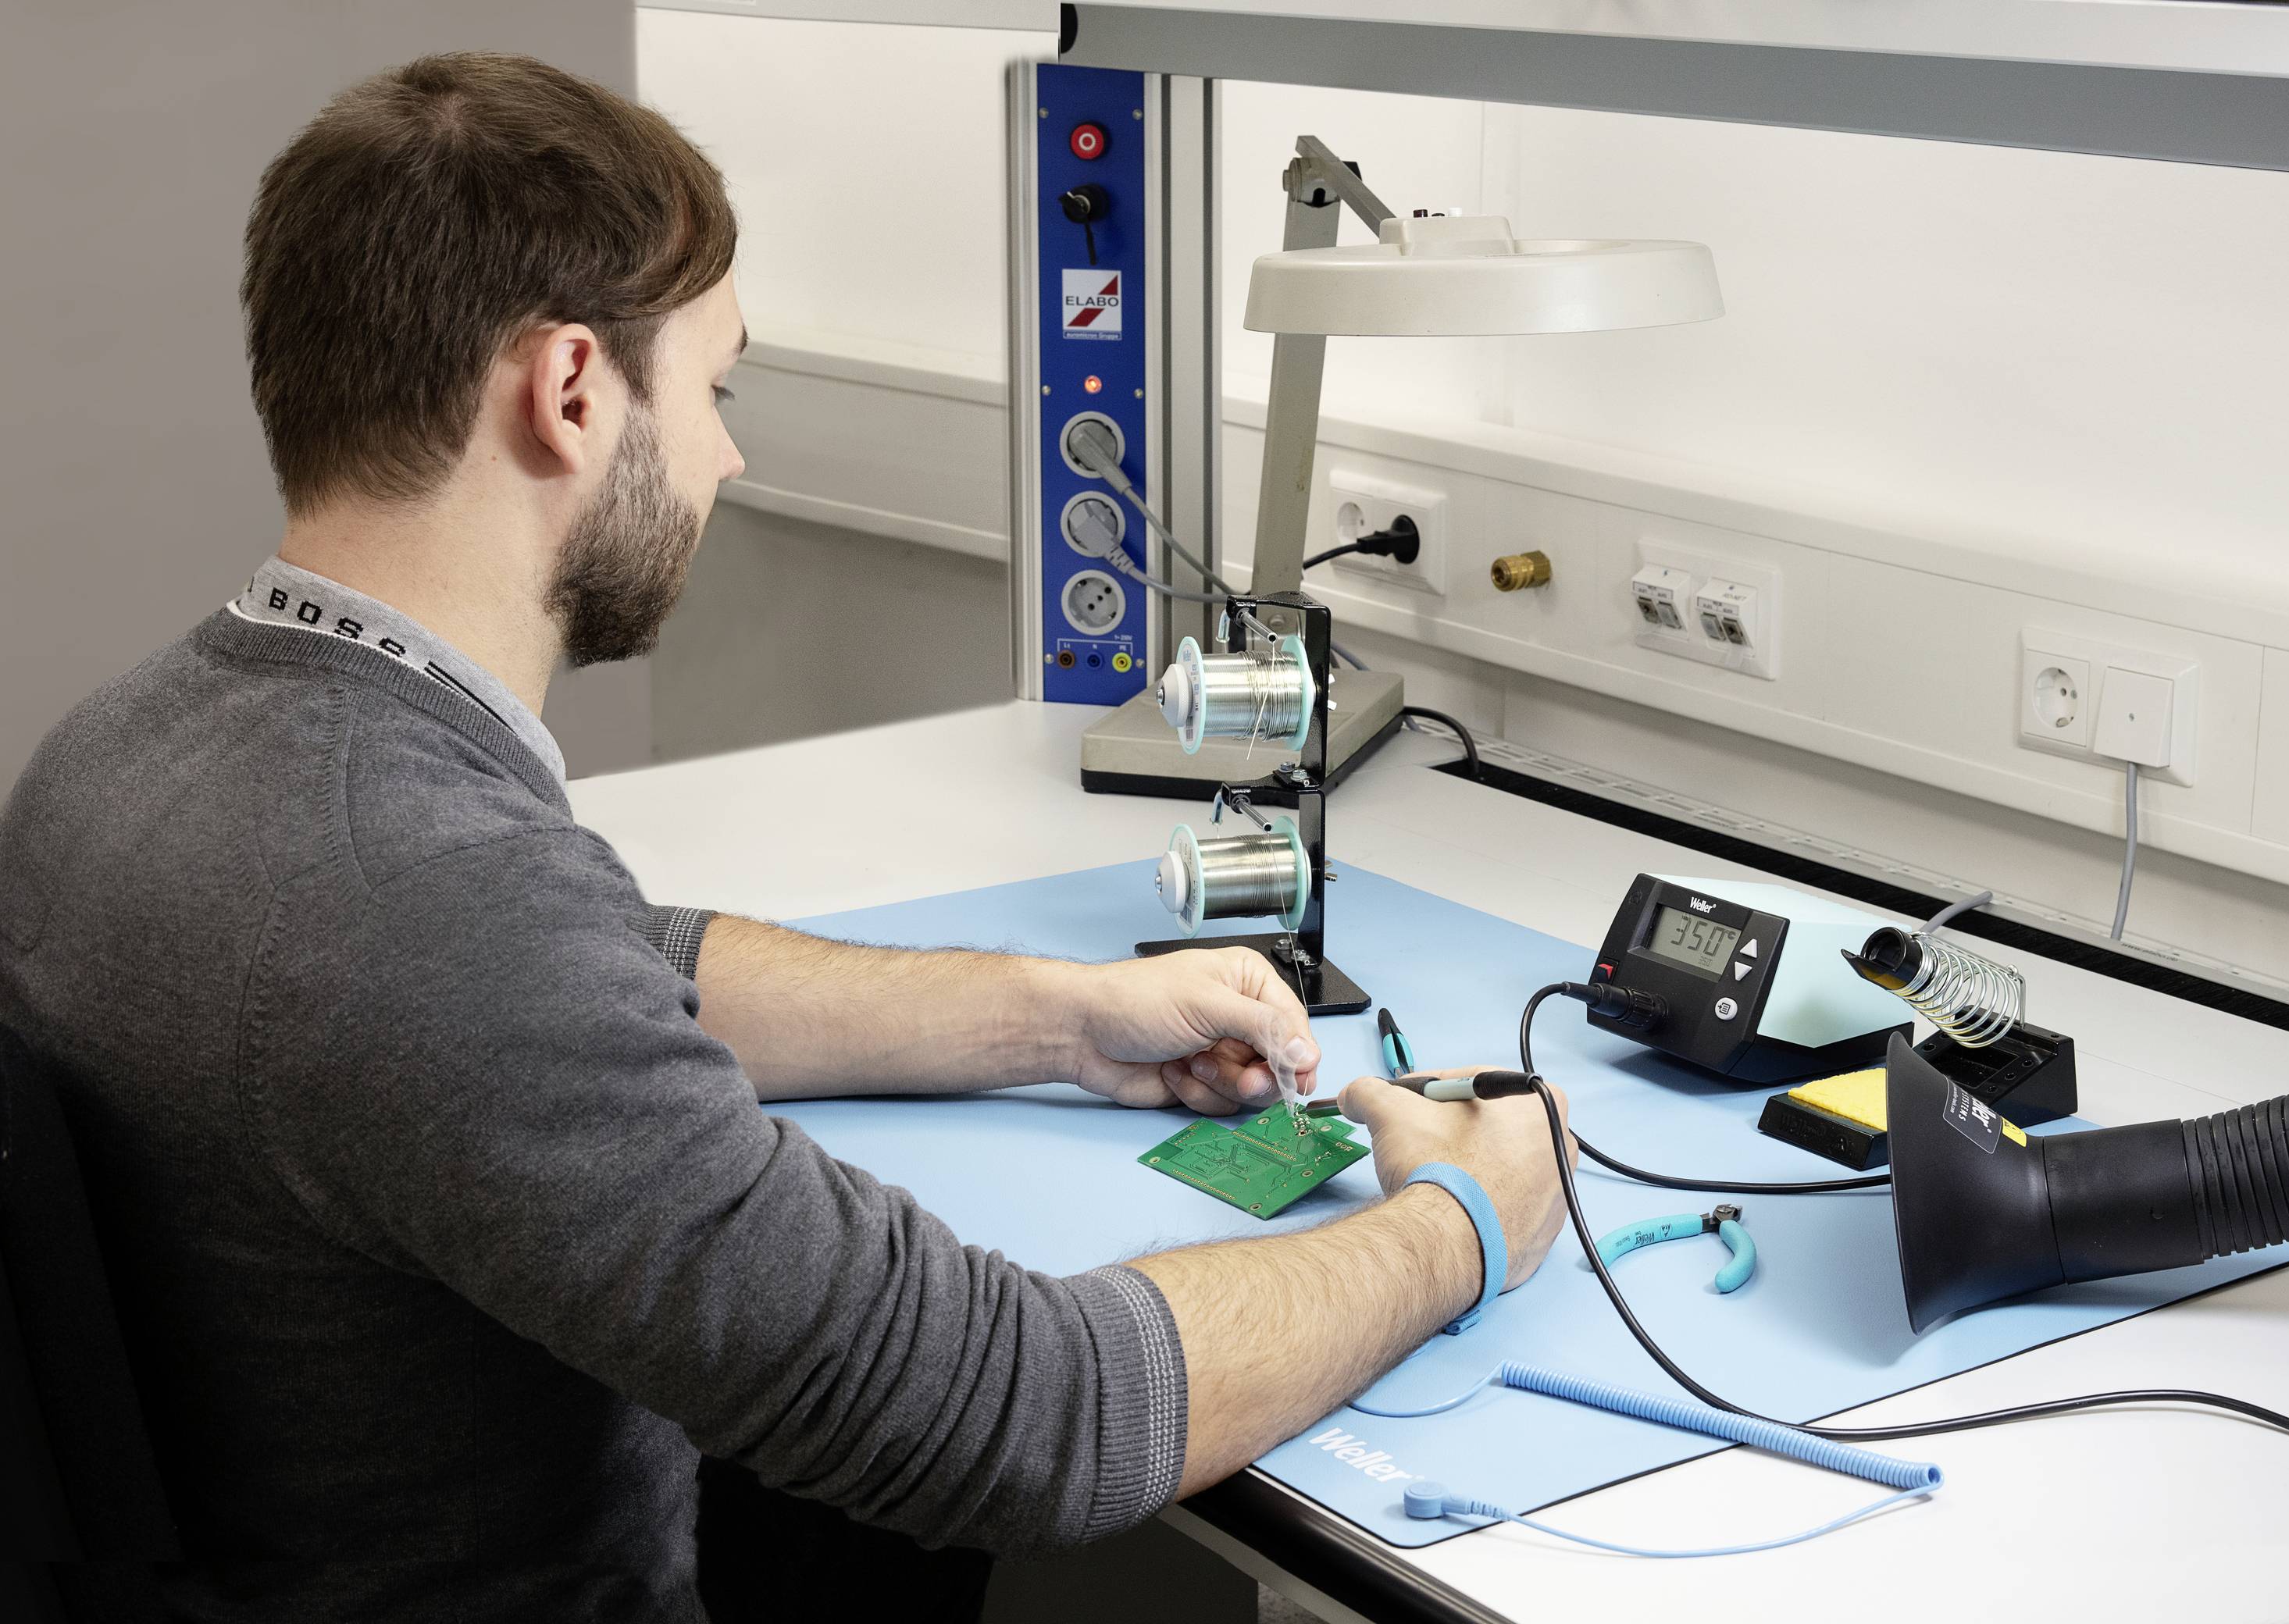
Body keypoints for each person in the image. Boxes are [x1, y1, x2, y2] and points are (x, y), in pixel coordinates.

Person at [0, 52, 1571, 1621]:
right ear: (568, 393)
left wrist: (1054, 1015)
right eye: (714, 390)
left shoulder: (128, 751)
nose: (726, 458)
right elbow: (1024, 1413)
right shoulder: (418, 902)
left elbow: (620, 966)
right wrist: (1458, 1226)